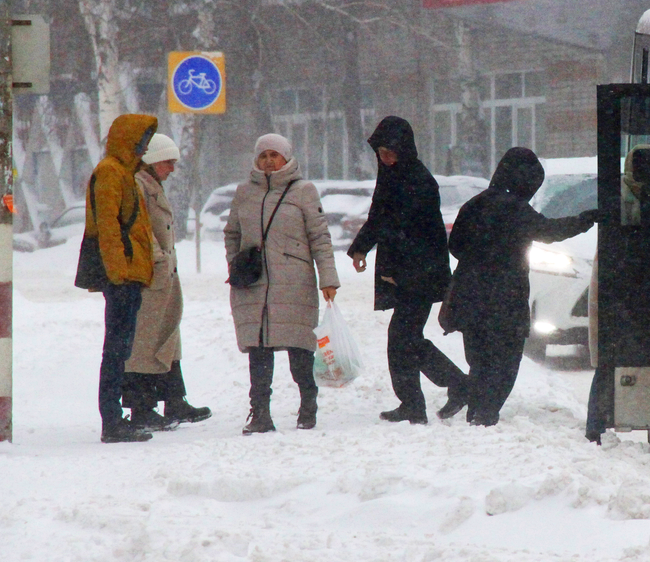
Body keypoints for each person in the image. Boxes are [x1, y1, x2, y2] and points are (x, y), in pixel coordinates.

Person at [448, 147, 597, 426]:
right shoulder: (516, 209)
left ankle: (475, 412)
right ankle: (486, 413)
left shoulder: (474, 204)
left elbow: (454, 245)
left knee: (479, 358)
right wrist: (584, 221)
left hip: (471, 296)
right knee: (505, 359)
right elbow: (550, 231)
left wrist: (478, 259)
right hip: (506, 295)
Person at [347, 116, 465, 425]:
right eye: (381, 152)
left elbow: (418, 235)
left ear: (405, 150)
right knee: (405, 340)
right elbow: (378, 218)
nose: (385, 158)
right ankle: (420, 399)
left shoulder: (418, 181)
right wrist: (360, 247)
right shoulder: (392, 176)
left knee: (402, 339)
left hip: (419, 273)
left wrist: (400, 271)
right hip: (404, 272)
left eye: (391, 152)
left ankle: (447, 388)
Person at [226, 134, 340, 434]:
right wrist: (236, 263)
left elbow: (320, 237)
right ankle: (260, 413)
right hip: (253, 284)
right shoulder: (244, 192)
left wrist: (328, 278)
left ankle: (308, 403)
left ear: (286, 158)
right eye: (263, 156)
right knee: (258, 350)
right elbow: (231, 233)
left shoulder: (304, 191)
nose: (268, 161)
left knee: (299, 350)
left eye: (274, 155)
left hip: (295, 282)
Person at [121, 133, 212, 431]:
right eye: (168, 162)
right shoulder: (138, 186)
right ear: (152, 161)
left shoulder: (150, 184)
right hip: (150, 276)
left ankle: (174, 400)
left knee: (167, 337)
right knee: (144, 344)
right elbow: (140, 229)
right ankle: (141, 408)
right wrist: (159, 259)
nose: (172, 169)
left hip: (161, 275)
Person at [85, 114, 157, 443]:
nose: (144, 148)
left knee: (120, 348)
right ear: (128, 142)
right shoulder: (111, 172)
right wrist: (119, 274)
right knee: (115, 350)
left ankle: (115, 419)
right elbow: (109, 229)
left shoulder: (124, 173)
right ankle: (112, 421)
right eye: (140, 142)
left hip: (129, 274)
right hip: (123, 276)